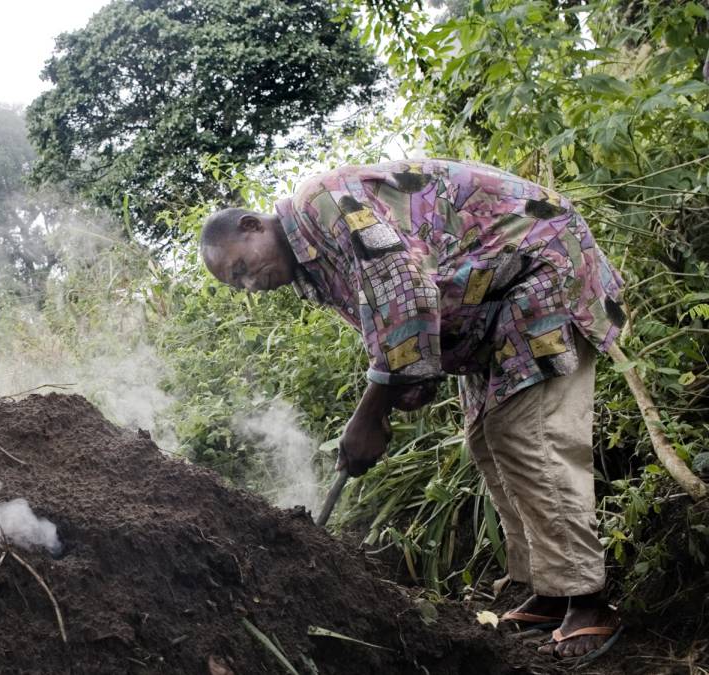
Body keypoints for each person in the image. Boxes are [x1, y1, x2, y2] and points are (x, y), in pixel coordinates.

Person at [200, 158, 626, 661]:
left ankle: (589, 602)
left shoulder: (324, 203)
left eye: (242, 269)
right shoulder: (313, 271)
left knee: (527, 433)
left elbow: (408, 295)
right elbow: (387, 333)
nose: (251, 285)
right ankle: (554, 591)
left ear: (252, 226)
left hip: (539, 272)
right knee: (488, 439)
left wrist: (366, 414)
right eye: (239, 285)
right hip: (490, 314)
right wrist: (384, 408)